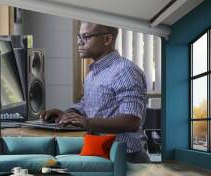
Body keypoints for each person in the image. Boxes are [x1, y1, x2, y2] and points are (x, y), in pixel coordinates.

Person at [40, 22, 149, 163]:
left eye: (86, 37)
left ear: (107, 39)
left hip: (125, 159)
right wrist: (68, 114)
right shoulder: (94, 73)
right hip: (102, 154)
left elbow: (131, 121)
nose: (79, 42)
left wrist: (87, 122)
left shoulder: (125, 71)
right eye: (79, 36)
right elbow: (88, 104)